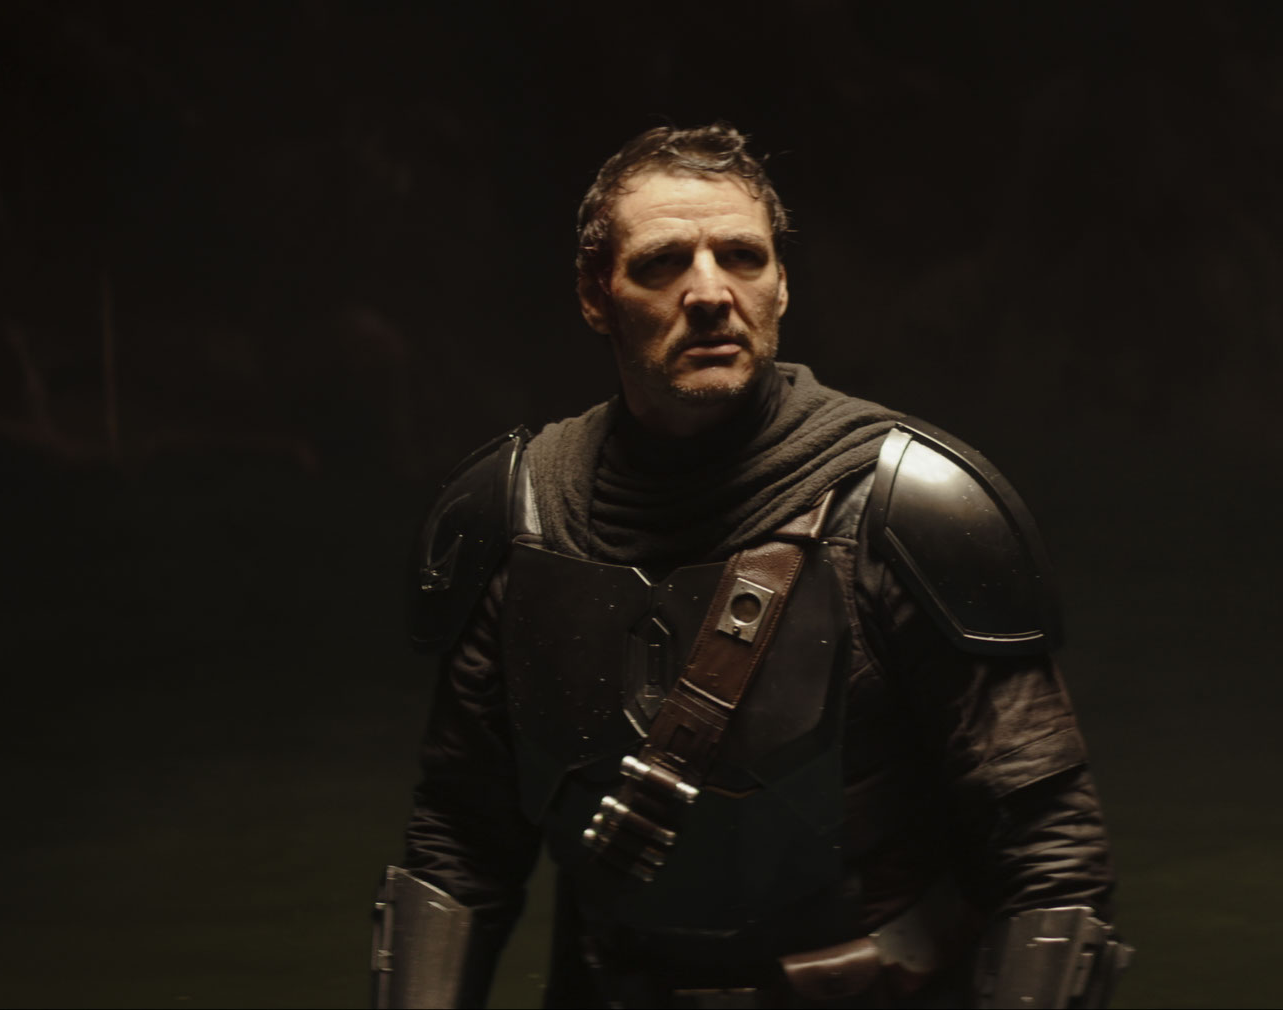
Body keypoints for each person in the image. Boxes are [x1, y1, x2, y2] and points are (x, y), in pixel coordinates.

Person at [373, 123, 1128, 1009]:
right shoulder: (514, 518)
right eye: (663, 263)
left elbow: (1050, 863)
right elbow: (459, 851)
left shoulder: (912, 509)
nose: (709, 292)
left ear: (781, 285)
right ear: (595, 294)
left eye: (741, 256)